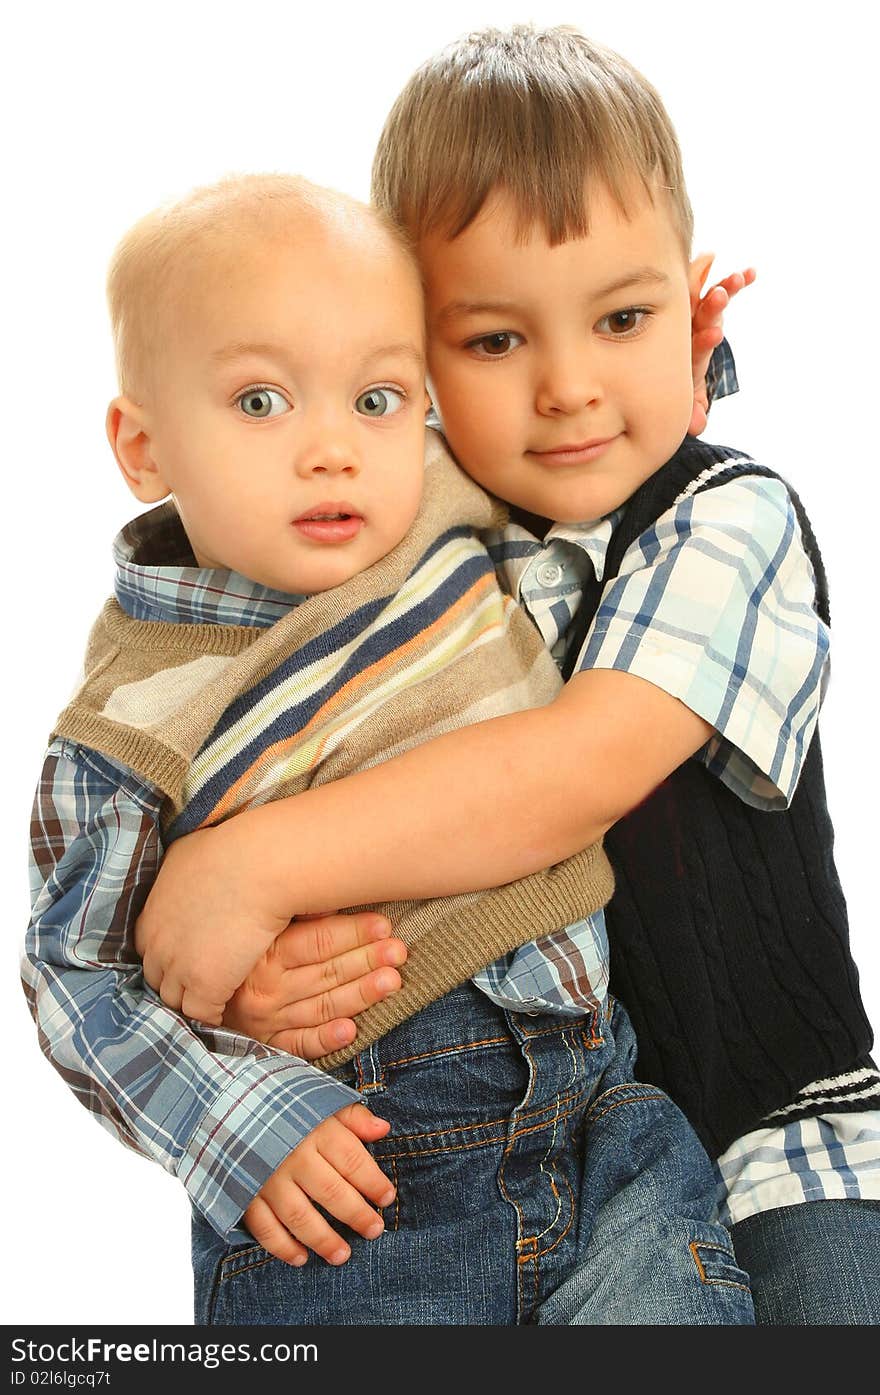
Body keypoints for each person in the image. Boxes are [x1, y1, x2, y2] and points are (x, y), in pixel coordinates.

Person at [135, 25, 880, 1326]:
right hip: (540, 1160)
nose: (572, 387)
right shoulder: (403, 559)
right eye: (493, 342)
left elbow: (563, 775)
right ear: (409, 366)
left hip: (777, 1146)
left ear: (694, 316)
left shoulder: (727, 522)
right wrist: (259, 976)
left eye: (625, 317)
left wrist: (247, 874)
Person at [23, 171, 755, 1326]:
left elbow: (577, 447)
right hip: (360, 1156)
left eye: (377, 398)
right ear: (142, 446)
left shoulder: (447, 498)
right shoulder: (133, 712)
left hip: (606, 1109)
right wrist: (243, 1125)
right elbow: (76, 977)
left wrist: (677, 372)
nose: (334, 449)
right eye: (262, 402)